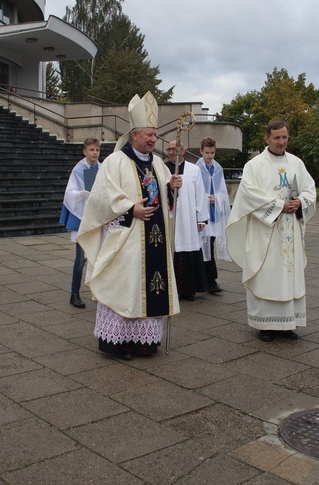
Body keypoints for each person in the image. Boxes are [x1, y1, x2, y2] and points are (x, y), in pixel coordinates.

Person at [77, 92, 183, 360]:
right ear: (134, 134)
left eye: (154, 134)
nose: (152, 139)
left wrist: (170, 188)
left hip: (154, 239)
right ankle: (118, 343)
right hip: (127, 238)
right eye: (148, 134)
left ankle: (144, 343)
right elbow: (101, 199)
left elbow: (163, 198)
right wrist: (129, 208)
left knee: (149, 287)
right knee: (125, 287)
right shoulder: (115, 162)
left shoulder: (159, 163)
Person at [226, 121, 316, 342]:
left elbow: (309, 189)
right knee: (266, 273)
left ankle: (287, 324)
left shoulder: (296, 163)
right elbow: (248, 195)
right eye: (277, 137)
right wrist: (279, 206)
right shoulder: (254, 165)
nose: (281, 142)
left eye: (285, 137)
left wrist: (299, 202)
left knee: (287, 274)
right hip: (265, 231)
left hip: (289, 231)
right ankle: (265, 325)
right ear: (266, 138)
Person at [165, 140, 209, 301]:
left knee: (188, 249)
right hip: (170, 218)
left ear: (183, 151)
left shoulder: (194, 170)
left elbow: (200, 194)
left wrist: (202, 218)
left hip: (189, 219)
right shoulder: (162, 169)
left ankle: (187, 290)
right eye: (169, 149)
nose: (171, 152)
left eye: (175, 149)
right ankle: (169, 290)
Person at [59, 138, 101, 308]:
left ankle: (100, 293)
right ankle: (74, 293)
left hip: (98, 217)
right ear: (85, 151)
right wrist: (79, 195)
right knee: (80, 259)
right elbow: (69, 193)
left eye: (97, 150)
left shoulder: (102, 168)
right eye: (92, 150)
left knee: (100, 257)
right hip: (83, 217)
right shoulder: (78, 169)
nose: (95, 153)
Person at [196, 136, 232, 294]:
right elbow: (194, 191)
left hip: (214, 214)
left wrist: (216, 198)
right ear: (201, 152)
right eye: (207, 153)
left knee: (209, 245)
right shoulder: (196, 168)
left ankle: (208, 280)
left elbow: (223, 191)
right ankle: (208, 280)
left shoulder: (218, 168)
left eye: (212, 153)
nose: (210, 156)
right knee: (203, 246)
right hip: (202, 214)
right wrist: (205, 198)